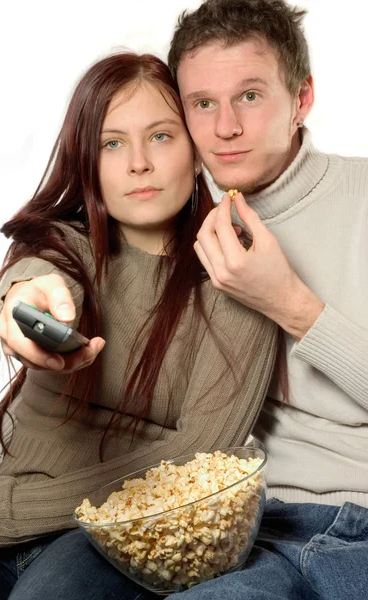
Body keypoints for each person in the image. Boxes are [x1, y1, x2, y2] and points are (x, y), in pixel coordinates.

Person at [0, 50, 277, 599]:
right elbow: (34, 281)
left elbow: (196, 465)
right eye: (112, 143)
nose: (138, 162)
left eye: (161, 136)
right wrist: (22, 305)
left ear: (195, 148)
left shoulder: (236, 275)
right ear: (87, 159)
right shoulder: (63, 245)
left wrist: (3, 509)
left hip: (117, 540)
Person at [165, 0, 368, 598]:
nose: (225, 127)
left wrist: (288, 302)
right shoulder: (172, 208)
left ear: (302, 99)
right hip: (248, 532)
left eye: (250, 96)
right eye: (203, 103)